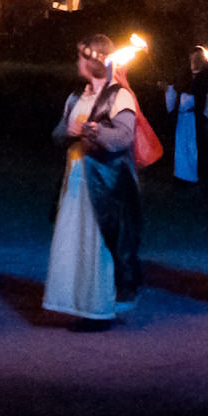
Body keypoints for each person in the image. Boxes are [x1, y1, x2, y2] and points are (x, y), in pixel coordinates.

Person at [44, 33, 144, 327]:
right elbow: (58, 133)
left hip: (106, 183)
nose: (77, 62)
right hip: (75, 179)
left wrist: (94, 132)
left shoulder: (119, 95)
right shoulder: (76, 97)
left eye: (81, 57)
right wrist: (71, 131)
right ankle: (77, 304)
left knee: (98, 244)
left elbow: (124, 137)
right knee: (75, 242)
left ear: (94, 61)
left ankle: (99, 309)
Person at [166, 47, 208, 184]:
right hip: (182, 118)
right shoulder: (184, 75)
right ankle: (181, 175)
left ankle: (196, 176)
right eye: (192, 57)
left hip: (197, 119)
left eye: (198, 57)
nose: (194, 60)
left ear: (203, 59)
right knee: (181, 147)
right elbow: (176, 93)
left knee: (195, 148)